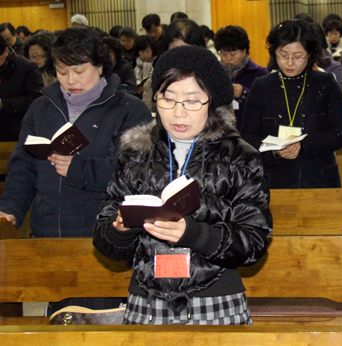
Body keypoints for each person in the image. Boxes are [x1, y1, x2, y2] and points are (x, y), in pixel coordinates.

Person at [93, 45, 272, 325]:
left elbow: (253, 241)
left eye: (191, 101)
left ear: (211, 102)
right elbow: (105, 240)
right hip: (147, 300)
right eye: (167, 99)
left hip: (215, 298)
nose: (178, 113)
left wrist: (194, 234)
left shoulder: (239, 157)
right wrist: (120, 231)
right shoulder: (135, 153)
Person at [0, 26, 152, 237]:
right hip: (46, 231)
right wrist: (10, 209)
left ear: (100, 66)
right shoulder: (41, 108)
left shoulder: (130, 110)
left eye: (79, 71)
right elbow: (23, 167)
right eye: (62, 71)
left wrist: (80, 169)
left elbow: (137, 173)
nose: (71, 80)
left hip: (105, 235)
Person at [241, 19, 342, 189]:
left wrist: (304, 145)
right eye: (283, 55)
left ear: (310, 54)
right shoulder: (262, 86)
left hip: (318, 177)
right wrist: (273, 150)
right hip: (273, 179)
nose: (290, 62)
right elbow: (248, 135)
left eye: (298, 56)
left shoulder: (325, 83)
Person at [214, 25, 268, 130]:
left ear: (244, 51)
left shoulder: (260, 74)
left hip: (249, 132)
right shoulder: (214, 73)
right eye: (223, 54)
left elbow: (267, 105)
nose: (228, 58)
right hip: (221, 133)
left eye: (233, 54)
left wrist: (244, 93)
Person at [0, 37, 43, 141]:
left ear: (6, 52)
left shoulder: (27, 68)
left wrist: (3, 103)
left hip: (17, 131)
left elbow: (36, 99)